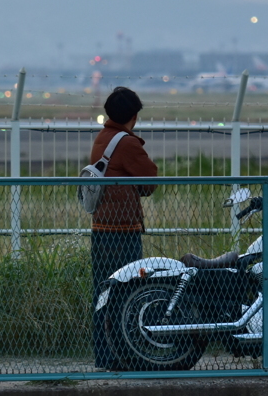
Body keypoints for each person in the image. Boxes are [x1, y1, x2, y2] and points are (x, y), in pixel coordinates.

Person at [90, 86, 159, 370]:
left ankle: (103, 354)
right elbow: (150, 181)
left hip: (101, 227)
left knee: (103, 291)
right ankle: (120, 354)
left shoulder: (102, 138)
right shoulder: (128, 143)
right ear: (133, 114)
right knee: (125, 292)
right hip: (123, 228)